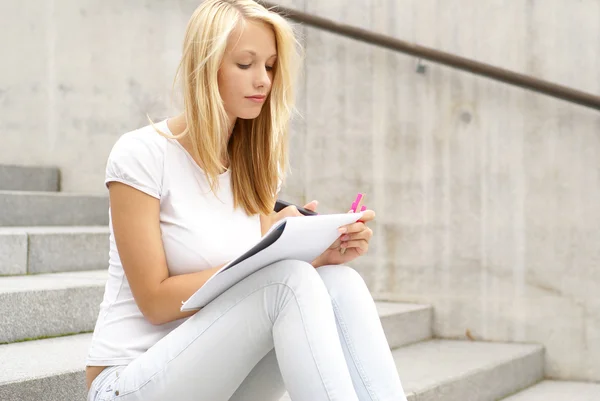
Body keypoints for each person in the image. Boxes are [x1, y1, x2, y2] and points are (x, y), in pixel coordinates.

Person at [84, 1, 407, 400]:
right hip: (131, 382)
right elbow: (153, 301)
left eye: (269, 66)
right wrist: (265, 261)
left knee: (338, 281)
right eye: (245, 64)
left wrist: (308, 250)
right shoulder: (141, 154)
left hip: (220, 380)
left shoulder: (253, 169)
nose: (263, 81)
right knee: (288, 281)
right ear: (206, 66)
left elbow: (249, 287)